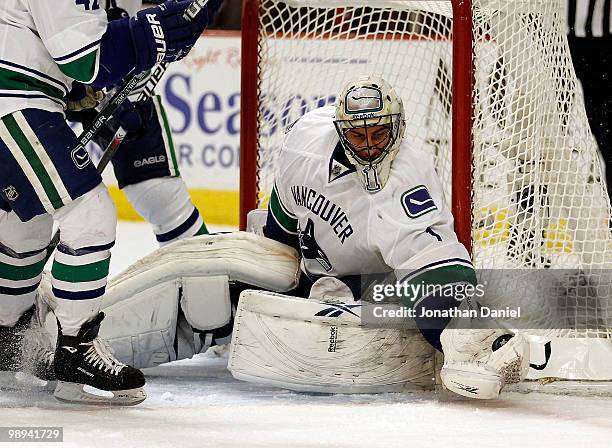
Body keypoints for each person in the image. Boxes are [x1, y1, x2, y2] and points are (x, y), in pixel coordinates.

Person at [0, 0, 221, 405]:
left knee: (26, 222)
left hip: (27, 96)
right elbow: (84, 59)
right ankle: (75, 350)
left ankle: (6, 338)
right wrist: (151, 31)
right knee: (90, 213)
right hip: (13, 101)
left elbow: (77, 64)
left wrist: (102, 93)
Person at [257, 75, 530, 398]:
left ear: (398, 127)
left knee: (345, 298)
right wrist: (270, 278)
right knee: (242, 279)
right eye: (358, 136)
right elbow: (282, 217)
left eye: (379, 133)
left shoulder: (407, 178)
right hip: (308, 271)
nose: (370, 147)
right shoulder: (306, 139)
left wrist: (462, 335)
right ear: (341, 131)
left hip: (368, 283)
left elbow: (429, 265)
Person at [67, 0, 209, 246]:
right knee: (22, 214)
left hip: (116, 75)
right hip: (29, 83)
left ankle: (204, 278)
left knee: (159, 194)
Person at [566, 0, 612, 205]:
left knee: (609, 136)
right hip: (552, 37)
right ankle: (529, 223)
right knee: (540, 133)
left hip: (602, 46)